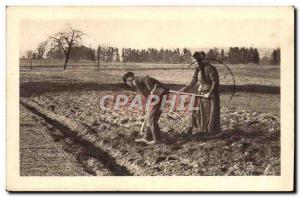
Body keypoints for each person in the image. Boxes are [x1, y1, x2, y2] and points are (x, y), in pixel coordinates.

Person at [179, 51, 220, 134]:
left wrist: (209, 93)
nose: (193, 63)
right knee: (198, 112)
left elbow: (215, 82)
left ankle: (210, 131)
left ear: (198, 60)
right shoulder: (198, 69)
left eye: (194, 61)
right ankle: (200, 129)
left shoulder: (211, 68)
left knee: (209, 114)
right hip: (201, 94)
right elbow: (193, 81)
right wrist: (185, 89)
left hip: (210, 95)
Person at [122, 72, 169, 144]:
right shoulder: (137, 86)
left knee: (151, 117)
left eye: (126, 82)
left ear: (129, 79)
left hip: (160, 94)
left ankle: (156, 139)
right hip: (160, 95)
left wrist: (151, 89)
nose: (128, 85)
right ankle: (147, 137)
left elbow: (146, 78)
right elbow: (146, 96)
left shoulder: (137, 79)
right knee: (151, 117)